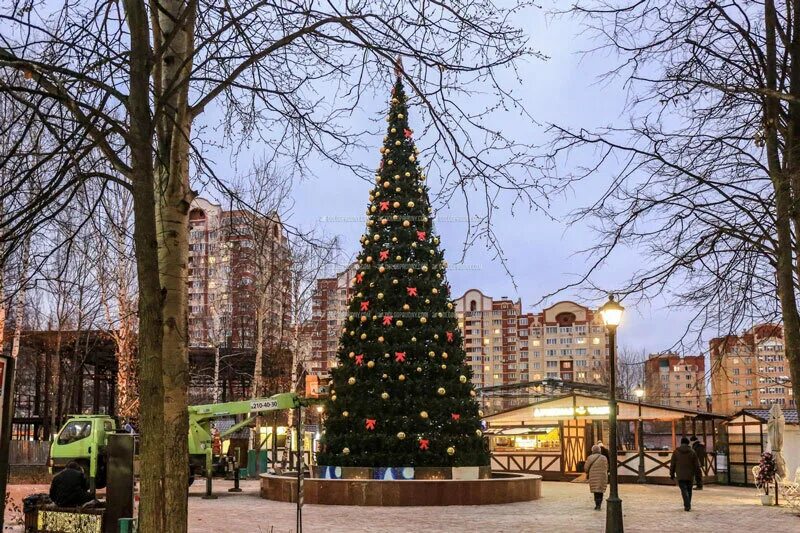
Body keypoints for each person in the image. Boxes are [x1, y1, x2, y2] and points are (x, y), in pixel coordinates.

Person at [670, 437, 702, 511]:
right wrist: (698, 475)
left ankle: (687, 505)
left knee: (683, 490)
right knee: (689, 490)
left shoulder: (676, 452)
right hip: (690, 474)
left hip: (680, 474)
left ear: (681, 443)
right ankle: (688, 504)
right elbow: (696, 465)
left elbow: (673, 464)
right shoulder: (692, 452)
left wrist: (671, 474)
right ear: (688, 443)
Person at [585, 444, 609, 510]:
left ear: (592, 450)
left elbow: (586, 468)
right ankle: (599, 504)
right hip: (603, 476)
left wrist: (587, 472)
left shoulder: (590, 458)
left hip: (593, 476)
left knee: (596, 491)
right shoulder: (604, 458)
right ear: (599, 450)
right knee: (600, 491)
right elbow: (607, 467)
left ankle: (597, 504)